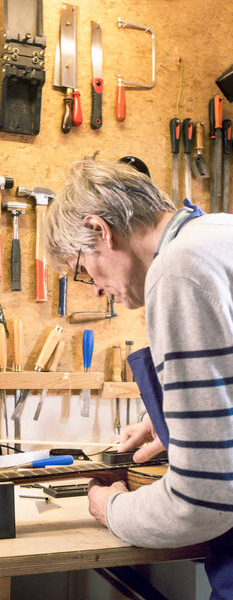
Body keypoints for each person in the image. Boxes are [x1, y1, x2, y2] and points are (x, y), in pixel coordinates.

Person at [45, 156, 233, 600]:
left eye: (80, 268)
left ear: (100, 230)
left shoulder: (180, 271)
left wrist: (111, 508)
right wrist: (185, 419)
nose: (92, 288)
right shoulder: (220, 233)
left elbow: (203, 503)